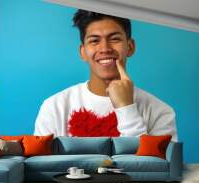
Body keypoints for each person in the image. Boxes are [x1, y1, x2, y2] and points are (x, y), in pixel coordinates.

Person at [34, 10, 178, 141]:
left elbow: (157, 168)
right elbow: (43, 167)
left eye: (114, 39)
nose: (105, 49)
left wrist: (126, 108)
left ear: (130, 47)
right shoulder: (54, 107)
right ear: (83, 52)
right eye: (94, 41)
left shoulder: (161, 111)